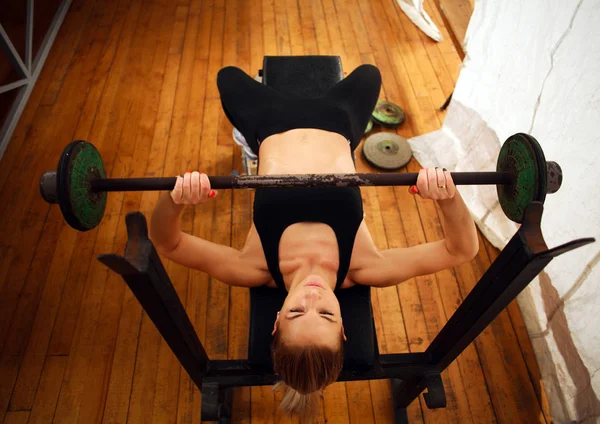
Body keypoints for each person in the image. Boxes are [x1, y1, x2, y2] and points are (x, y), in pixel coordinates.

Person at [149, 65, 478, 418]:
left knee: (227, 76)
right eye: (325, 313)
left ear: (276, 320)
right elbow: (460, 249)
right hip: (339, 121)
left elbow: (169, 244)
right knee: (369, 73)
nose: (312, 296)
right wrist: (446, 199)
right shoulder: (364, 265)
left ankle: (249, 145)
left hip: (269, 122)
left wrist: (176, 201)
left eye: (295, 311)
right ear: (343, 327)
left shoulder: (255, 265)